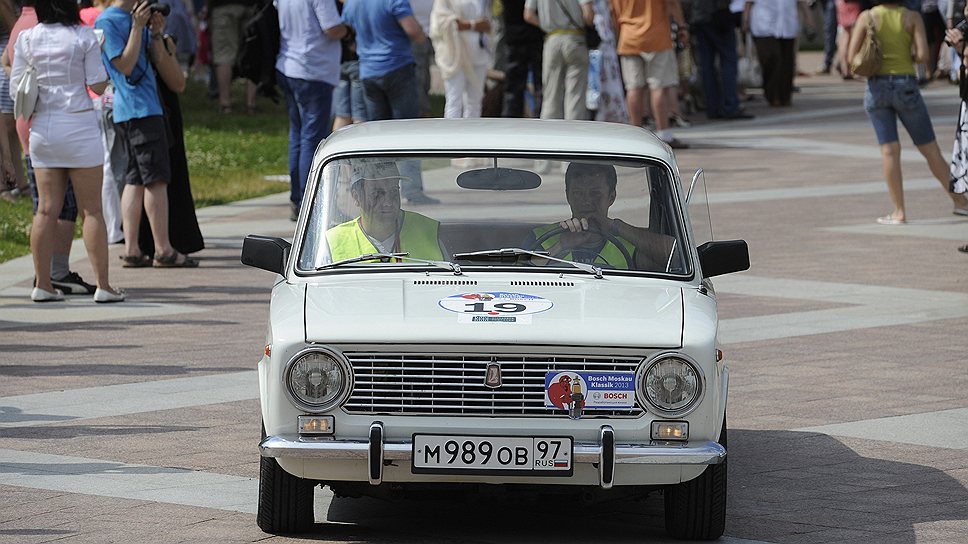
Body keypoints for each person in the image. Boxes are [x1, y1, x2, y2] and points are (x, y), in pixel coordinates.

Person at [10, 0, 124, 302]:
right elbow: (98, 85)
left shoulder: (28, 38)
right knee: (92, 210)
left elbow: (15, 88)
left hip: (43, 130)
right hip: (79, 126)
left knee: (45, 209)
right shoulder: (83, 36)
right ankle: (103, 285)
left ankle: (43, 284)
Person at [97, 0, 198, 267]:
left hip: (145, 108)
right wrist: (137, 27)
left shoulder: (132, 19)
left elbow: (155, 64)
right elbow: (125, 66)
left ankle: (132, 249)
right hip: (137, 110)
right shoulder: (108, 21)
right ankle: (163, 249)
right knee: (156, 180)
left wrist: (153, 33)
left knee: (136, 179)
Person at [848, 0, 968, 224]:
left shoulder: (867, 17)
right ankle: (960, 202)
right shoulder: (912, 17)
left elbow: (850, 56)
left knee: (889, 151)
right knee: (930, 149)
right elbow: (923, 55)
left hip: (876, 87)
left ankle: (898, 211)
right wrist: (906, 53)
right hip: (906, 86)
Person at [341, 0, 439, 205]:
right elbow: (412, 29)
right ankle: (412, 191)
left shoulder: (353, 3)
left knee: (379, 136)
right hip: (397, 67)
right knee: (407, 133)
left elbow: (348, 30)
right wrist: (423, 37)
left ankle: (379, 191)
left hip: (368, 71)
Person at [526, 163, 674, 270]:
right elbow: (519, 272)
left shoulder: (630, 244)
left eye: (595, 193)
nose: (586, 201)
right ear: (568, 195)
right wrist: (561, 246)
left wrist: (615, 226)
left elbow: (677, 259)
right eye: (578, 193)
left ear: (611, 197)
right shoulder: (541, 237)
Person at [275, 0, 346, 221]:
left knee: (298, 134)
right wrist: (349, 28)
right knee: (311, 137)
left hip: (289, 65)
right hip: (313, 69)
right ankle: (309, 200)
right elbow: (332, 28)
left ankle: (298, 198)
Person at [137, 31, 205, 258]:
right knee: (150, 179)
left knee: (149, 178)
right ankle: (155, 244)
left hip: (156, 111)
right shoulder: (132, 34)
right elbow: (176, 81)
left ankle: (151, 243)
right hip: (149, 112)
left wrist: (161, 40)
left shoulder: (155, 38)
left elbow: (178, 82)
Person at [325, 161, 446, 261]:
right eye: (377, 194)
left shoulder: (428, 231)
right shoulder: (334, 241)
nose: (388, 202)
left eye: (394, 191)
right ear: (356, 197)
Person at [609, 0, 690, 148]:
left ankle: (635, 133)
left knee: (633, 87)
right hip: (657, 36)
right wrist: (681, 26)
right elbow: (672, 4)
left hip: (629, 38)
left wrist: (621, 33)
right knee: (659, 87)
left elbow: (614, 13)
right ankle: (664, 133)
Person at [524, 0, 593, 122]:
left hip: (552, 39)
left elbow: (528, 15)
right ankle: (573, 134)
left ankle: (547, 135)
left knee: (550, 95)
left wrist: (546, 25)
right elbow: (588, 15)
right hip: (575, 38)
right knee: (575, 95)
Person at [743, 0, 814, 107]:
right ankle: (772, 95)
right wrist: (745, 19)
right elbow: (749, 2)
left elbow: (802, 1)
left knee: (787, 62)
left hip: (787, 23)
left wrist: (808, 17)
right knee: (770, 57)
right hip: (764, 24)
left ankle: (784, 96)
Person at [430, 0, 492, 118]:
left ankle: (472, 135)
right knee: (454, 100)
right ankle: (451, 135)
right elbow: (444, 21)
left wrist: (470, 25)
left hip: (479, 54)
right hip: (455, 56)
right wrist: (473, 25)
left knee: (475, 102)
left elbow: (487, 23)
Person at [693, 0, 754, 120]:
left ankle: (713, 107)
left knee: (707, 66)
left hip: (700, 17)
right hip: (719, 16)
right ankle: (730, 106)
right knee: (728, 63)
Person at [206, 0, 257, 113]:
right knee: (252, 54)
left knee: (224, 56)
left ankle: (225, 104)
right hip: (251, 6)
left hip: (223, 6)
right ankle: (251, 104)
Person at [501, 0, 543, 118]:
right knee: (540, 86)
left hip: (514, 36)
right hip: (536, 35)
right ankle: (541, 123)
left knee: (513, 90)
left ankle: (510, 125)